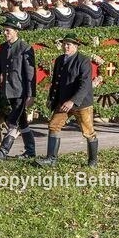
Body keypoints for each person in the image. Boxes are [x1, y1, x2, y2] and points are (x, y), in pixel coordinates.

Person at [0, 17, 36, 161]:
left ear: (16, 31)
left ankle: (3, 151)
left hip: (21, 92)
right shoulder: (3, 48)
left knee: (13, 121)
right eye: (4, 30)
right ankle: (30, 151)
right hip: (8, 91)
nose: (5, 33)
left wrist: (31, 95)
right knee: (22, 121)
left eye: (8, 30)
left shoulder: (25, 48)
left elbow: (30, 75)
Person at [38, 33, 98, 167]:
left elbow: (85, 84)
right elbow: (56, 82)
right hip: (63, 102)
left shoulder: (83, 61)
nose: (65, 46)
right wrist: (51, 99)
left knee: (88, 132)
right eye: (64, 44)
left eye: (69, 44)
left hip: (82, 103)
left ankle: (93, 161)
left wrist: (73, 101)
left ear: (76, 46)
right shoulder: (60, 60)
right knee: (54, 125)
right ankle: (51, 159)